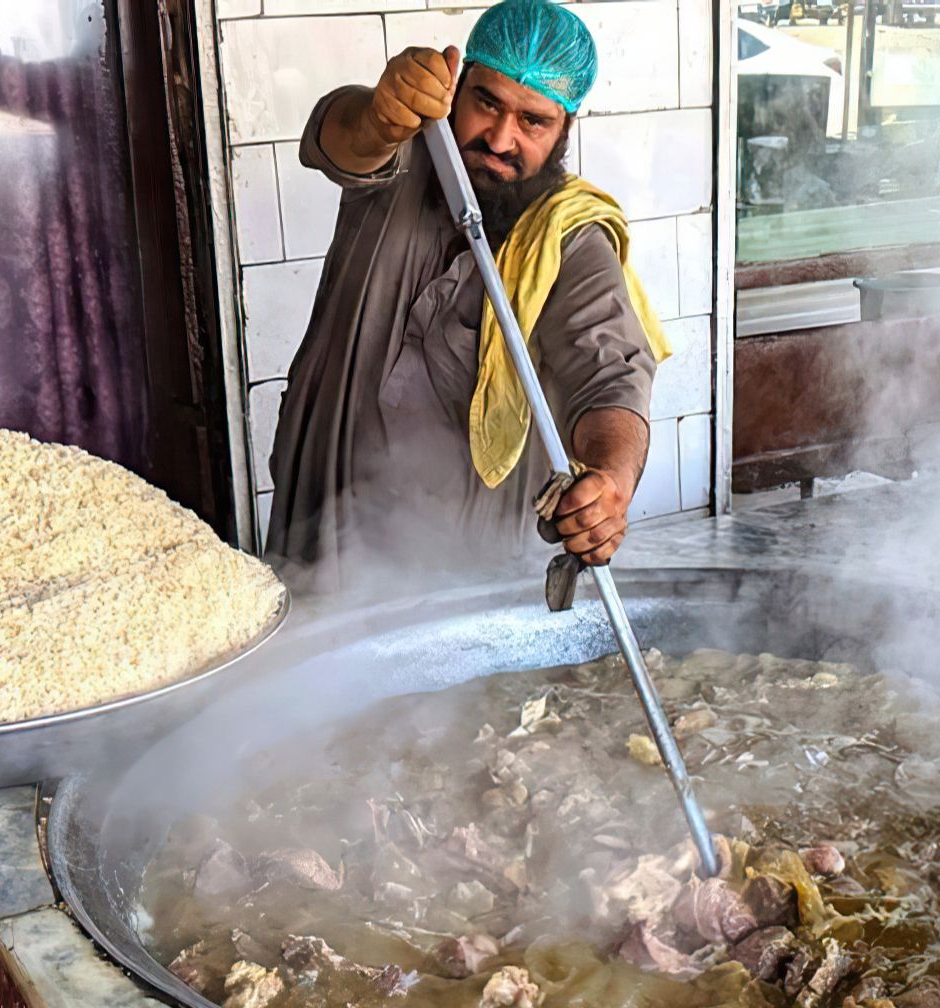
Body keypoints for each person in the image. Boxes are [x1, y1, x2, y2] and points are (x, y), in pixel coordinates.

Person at [264, 0, 671, 589]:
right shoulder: (401, 154)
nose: (501, 138)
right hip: (320, 518)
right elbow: (343, 137)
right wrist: (379, 117)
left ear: (565, 131)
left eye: (533, 121)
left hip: (455, 570)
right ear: (458, 88)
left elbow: (612, 378)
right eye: (486, 102)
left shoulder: (571, 238)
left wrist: (609, 479)